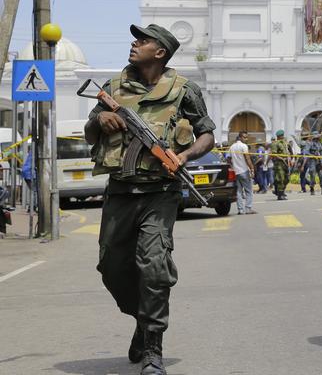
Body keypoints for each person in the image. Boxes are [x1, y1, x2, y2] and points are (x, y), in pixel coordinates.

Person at [84, 23, 215, 375]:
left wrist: (184, 157)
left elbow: (207, 135)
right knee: (111, 268)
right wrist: (104, 118)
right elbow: (89, 132)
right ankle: (141, 320)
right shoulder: (113, 87)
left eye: (143, 40)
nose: (134, 43)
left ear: (160, 52)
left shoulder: (184, 90)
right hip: (120, 192)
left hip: (160, 193)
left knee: (154, 266)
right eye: (135, 38)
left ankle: (153, 347)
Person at [229, 131, 256, 214]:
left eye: (246, 137)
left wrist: (233, 167)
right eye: (244, 137)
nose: (246, 139)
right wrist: (252, 168)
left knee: (239, 191)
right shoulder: (243, 146)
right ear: (240, 137)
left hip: (236, 172)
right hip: (244, 171)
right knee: (249, 191)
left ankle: (240, 209)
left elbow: (229, 159)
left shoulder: (232, 147)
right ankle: (248, 208)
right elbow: (247, 158)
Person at [270, 130, 289, 200]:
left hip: (285, 163)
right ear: (279, 136)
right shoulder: (275, 144)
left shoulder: (284, 143)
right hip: (279, 163)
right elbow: (274, 154)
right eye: (282, 135)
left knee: (287, 179)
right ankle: (280, 194)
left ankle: (280, 191)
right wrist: (281, 158)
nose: (283, 136)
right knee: (280, 178)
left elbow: (287, 151)